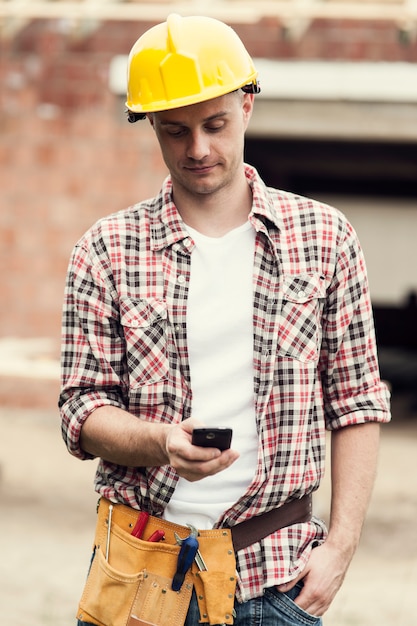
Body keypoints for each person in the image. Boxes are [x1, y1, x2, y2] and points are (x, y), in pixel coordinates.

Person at [59, 14, 391, 626]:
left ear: (247, 105)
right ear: (151, 128)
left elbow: (357, 402)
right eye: (174, 131)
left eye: (215, 125)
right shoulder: (105, 250)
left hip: (277, 579)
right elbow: (81, 411)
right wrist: (161, 443)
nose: (199, 150)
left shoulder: (324, 239)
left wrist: (340, 548)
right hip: (138, 571)